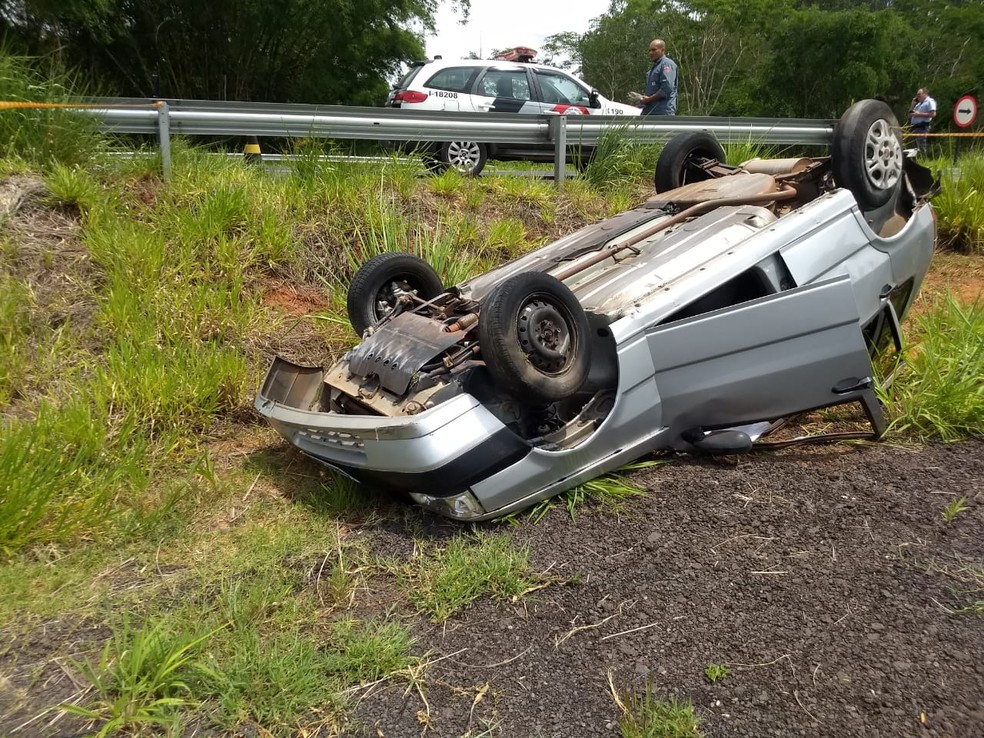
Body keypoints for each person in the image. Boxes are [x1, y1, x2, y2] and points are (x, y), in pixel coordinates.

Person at [640, 39, 678, 115]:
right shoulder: (653, 69)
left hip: (663, 112)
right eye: (650, 50)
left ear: (662, 50)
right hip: (650, 112)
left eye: (654, 50)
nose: (651, 53)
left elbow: (666, 88)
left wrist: (648, 99)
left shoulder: (666, 64)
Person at [908, 88, 937, 155]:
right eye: (917, 95)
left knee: (921, 145)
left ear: (925, 94)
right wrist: (912, 104)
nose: (917, 96)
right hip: (914, 127)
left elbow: (933, 114)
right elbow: (909, 115)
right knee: (913, 147)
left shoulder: (930, 101)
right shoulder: (918, 104)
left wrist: (918, 114)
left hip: (922, 127)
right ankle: (915, 161)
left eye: (919, 94)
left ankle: (923, 160)